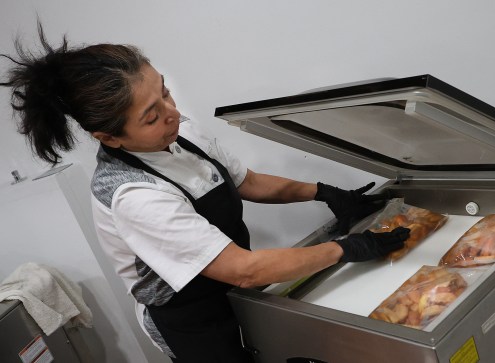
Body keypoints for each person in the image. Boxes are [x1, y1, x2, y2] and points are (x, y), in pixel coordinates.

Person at [1, 25, 410, 363]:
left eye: (163, 91)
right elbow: (244, 268)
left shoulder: (180, 131)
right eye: (151, 115)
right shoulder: (133, 195)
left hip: (234, 292)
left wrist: (326, 192)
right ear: (109, 137)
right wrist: (346, 248)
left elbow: (246, 182)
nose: (172, 112)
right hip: (190, 319)